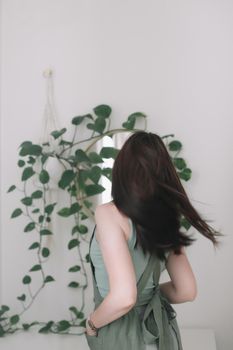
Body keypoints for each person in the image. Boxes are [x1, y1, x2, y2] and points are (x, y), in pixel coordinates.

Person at [84, 131, 221, 350]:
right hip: (160, 333)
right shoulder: (167, 217)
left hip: (121, 336)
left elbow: (124, 297)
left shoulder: (108, 214)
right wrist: (147, 296)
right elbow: (186, 290)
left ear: (122, 170)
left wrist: (91, 324)